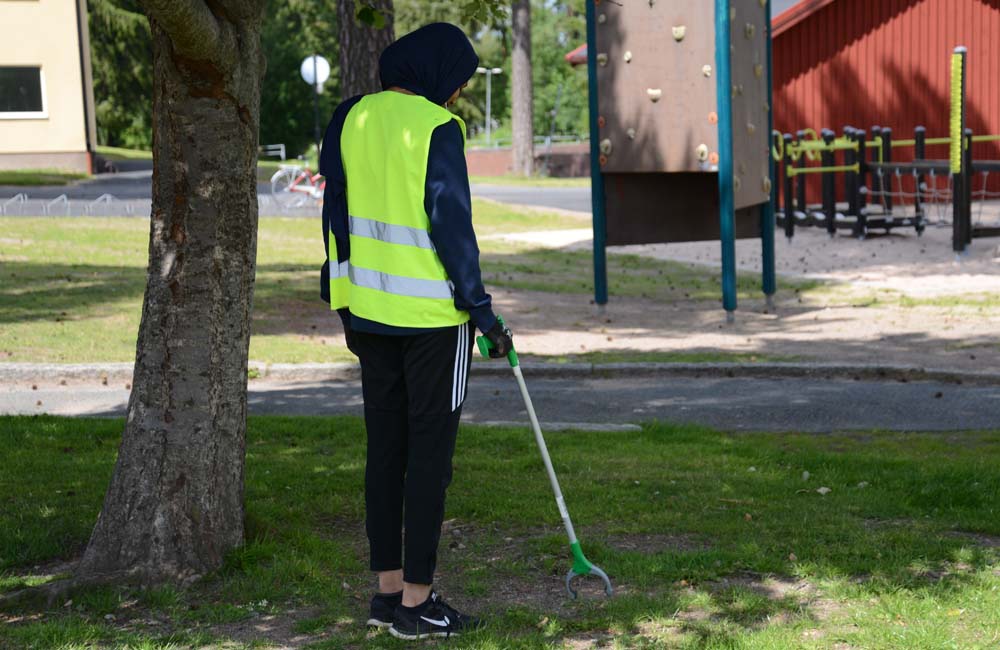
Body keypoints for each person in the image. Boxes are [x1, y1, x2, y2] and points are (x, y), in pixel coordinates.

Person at [319, 22, 514, 640]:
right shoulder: (437, 128)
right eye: (457, 83)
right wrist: (483, 314)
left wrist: (343, 301)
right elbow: (451, 226)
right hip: (432, 322)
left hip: (368, 315)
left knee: (385, 453)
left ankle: (386, 594)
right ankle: (418, 604)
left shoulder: (349, 117)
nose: (457, 95)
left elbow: (335, 217)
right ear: (436, 74)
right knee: (430, 461)